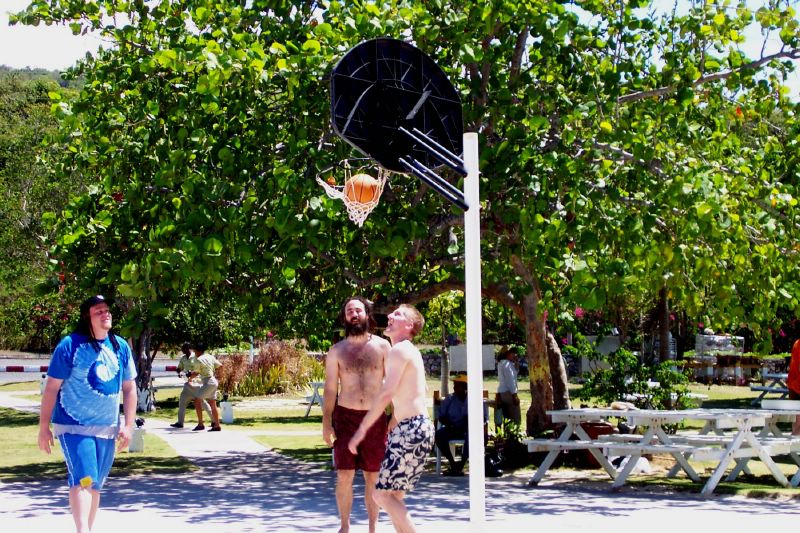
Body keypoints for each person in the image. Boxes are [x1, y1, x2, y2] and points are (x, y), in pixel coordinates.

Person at [38, 295, 137, 533]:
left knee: (95, 485)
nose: (105, 314)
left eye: (107, 310)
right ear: (87, 317)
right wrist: (43, 428)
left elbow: (130, 388)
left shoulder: (120, 346)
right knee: (84, 478)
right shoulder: (70, 345)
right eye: (98, 311)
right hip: (73, 427)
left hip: (107, 429)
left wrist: (128, 425)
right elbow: (51, 388)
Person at [348, 304, 434, 533]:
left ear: (409, 325)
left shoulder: (400, 350)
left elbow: (387, 393)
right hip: (415, 428)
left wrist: (362, 430)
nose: (390, 315)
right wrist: (391, 427)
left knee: (381, 495)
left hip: (412, 429)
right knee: (393, 495)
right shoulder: (409, 351)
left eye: (398, 314)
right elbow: (410, 395)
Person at [322, 296, 391, 533]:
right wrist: (326, 422)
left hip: (375, 419)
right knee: (344, 475)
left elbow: (392, 384)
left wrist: (395, 417)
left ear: (367, 315)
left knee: (373, 476)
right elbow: (330, 389)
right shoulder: (336, 351)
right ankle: (344, 526)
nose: (354, 314)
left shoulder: (383, 346)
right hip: (345, 419)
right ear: (344, 317)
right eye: (349, 311)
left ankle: (373, 527)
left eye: (358, 310)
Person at [170, 342, 211, 429]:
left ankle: (214, 421)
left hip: (197, 383)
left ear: (189, 348)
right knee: (182, 402)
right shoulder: (183, 358)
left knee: (202, 402)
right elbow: (179, 368)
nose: (182, 350)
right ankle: (180, 423)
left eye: (184, 348)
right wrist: (179, 372)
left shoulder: (196, 357)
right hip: (188, 384)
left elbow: (199, 369)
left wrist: (191, 373)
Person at [435, 374, 471, 476]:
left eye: (458, 385)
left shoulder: (473, 399)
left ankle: (461, 464)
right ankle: (452, 462)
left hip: (467, 430)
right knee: (439, 435)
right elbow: (441, 416)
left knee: (472, 436)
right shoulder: (449, 399)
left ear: (465, 387)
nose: (454, 387)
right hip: (452, 428)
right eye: (454, 385)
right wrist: (449, 424)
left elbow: (483, 418)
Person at [192, 342, 222, 431]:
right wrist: (217, 376)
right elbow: (220, 366)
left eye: (195, 351)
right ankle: (217, 425)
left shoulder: (199, 359)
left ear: (199, 351)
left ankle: (200, 424)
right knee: (212, 403)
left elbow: (196, 372)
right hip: (213, 381)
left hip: (208, 381)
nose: (194, 353)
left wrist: (190, 376)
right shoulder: (210, 356)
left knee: (197, 400)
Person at [496, 346, 521, 426]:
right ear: (507, 354)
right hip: (509, 393)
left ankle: (508, 431)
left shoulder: (502, 363)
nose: (515, 355)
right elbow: (511, 380)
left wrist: (516, 362)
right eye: (513, 353)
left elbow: (514, 373)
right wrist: (514, 395)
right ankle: (514, 432)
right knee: (515, 418)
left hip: (503, 393)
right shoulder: (507, 364)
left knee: (507, 417)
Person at [787, 338, 800, 435]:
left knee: (797, 425)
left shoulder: (797, 343)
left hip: (794, 385)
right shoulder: (798, 344)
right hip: (796, 385)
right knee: (797, 425)